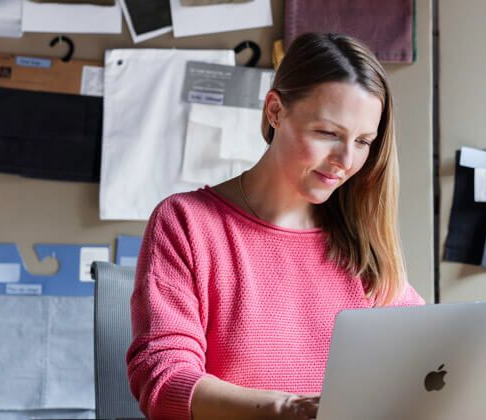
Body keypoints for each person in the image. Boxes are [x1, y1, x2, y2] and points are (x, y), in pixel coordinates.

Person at [126, 33, 426, 420]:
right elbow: (163, 381)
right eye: (328, 134)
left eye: (363, 141)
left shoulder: (359, 240)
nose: (345, 160)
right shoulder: (187, 222)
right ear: (275, 111)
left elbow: (428, 351)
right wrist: (288, 409)